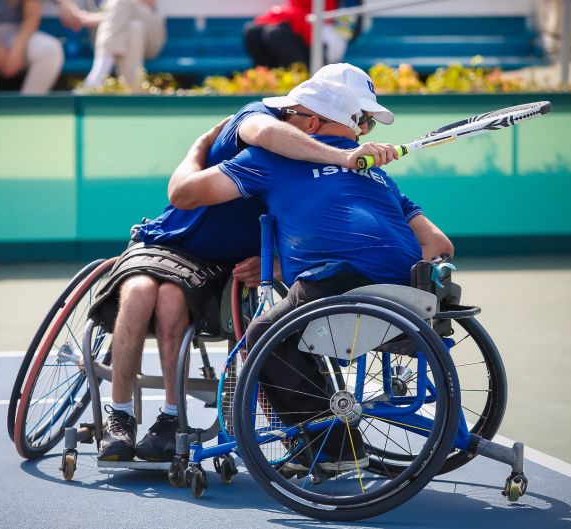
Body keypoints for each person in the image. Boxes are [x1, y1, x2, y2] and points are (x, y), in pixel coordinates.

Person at [86, 69, 401, 464]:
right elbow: (257, 142)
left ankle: (170, 419)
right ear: (311, 119)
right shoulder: (259, 118)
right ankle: (121, 417)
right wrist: (198, 146)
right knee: (139, 293)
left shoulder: (324, 168)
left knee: (170, 302)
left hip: (223, 264)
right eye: (362, 120)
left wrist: (278, 263)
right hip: (169, 241)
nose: (364, 131)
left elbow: (315, 226)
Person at [168, 78, 453, 470]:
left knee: (262, 335)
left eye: (288, 115)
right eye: (365, 124)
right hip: (408, 294)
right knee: (297, 321)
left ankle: (334, 450)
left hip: (339, 286)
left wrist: (198, 147)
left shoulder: (270, 160)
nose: (284, 120)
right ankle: (324, 441)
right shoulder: (379, 176)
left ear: (311, 124)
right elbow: (439, 245)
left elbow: (182, 194)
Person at [58, 0, 165, 92]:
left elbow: (147, 3)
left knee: (122, 1)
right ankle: (133, 94)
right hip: (123, 37)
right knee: (134, 28)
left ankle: (97, 77)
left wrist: (94, 18)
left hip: (150, 33)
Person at [243, 0, 339, 68]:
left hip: (325, 31)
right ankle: (272, 78)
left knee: (275, 34)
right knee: (253, 32)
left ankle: (302, 77)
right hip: (300, 21)